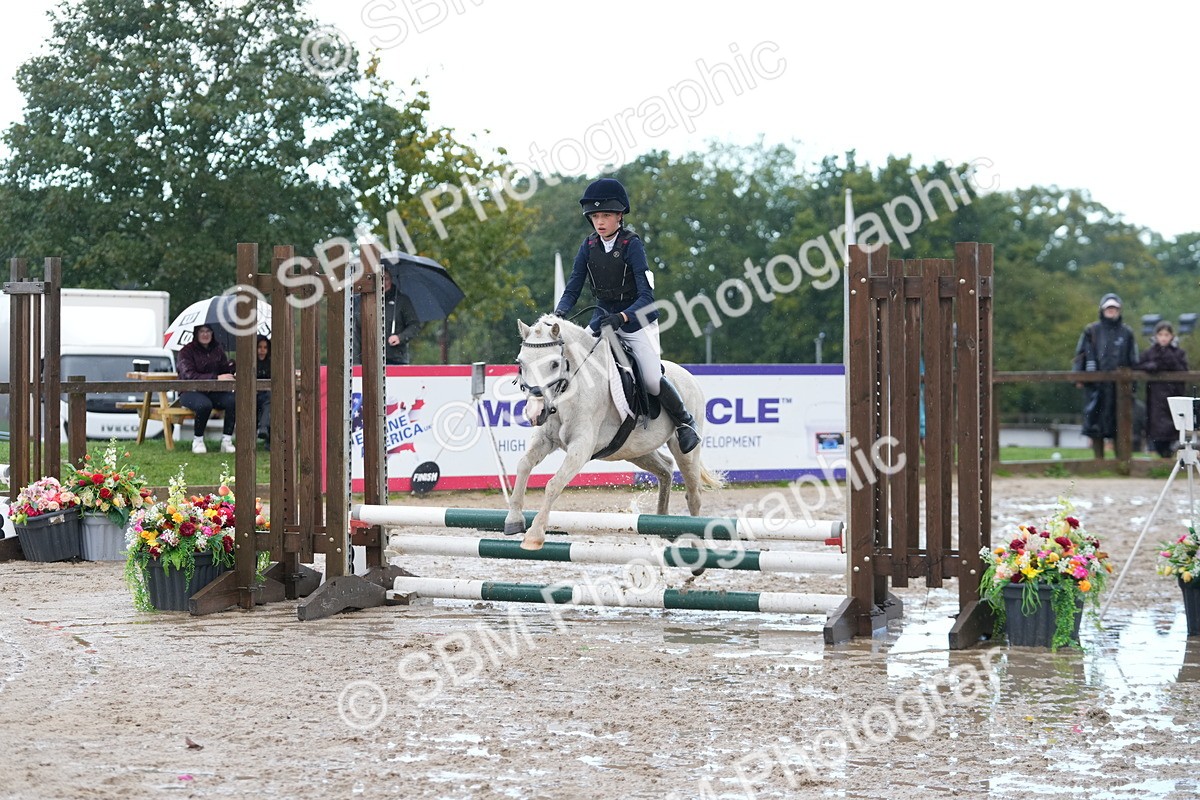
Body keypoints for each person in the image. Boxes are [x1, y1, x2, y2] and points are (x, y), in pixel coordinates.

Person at [553, 177, 700, 453]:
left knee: (651, 377)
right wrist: (558, 315)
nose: (600, 221)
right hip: (601, 318)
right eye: (595, 216)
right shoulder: (588, 247)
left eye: (606, 215)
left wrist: (622, 318)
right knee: (573, 362)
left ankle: (685, 422)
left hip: (636, 319)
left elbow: (646, 296)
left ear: (619, 216)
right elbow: (572, 289)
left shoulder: (632, 245)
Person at [1073, 293, 1138, 452]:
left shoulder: (1126, 332)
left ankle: (1120, 461)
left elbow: (1133, 359)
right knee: (1096, 422)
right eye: (1108, 307)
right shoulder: (1092, 330)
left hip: (1119, 387)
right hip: (1096, 386)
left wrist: (1133, 383)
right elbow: (1081, 354)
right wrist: (1078, 377)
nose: (1111, 310)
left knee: (1120, 422)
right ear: (1102, 309)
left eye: (1114, 308)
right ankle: (1098, 461)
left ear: (1119, 310)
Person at [176, 324, 237, 454]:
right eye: (202, 331)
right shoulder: (186, 351)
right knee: (204, 405)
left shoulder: (218, 350)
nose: (205, 334)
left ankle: (226, 440)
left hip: (214, 391)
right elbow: (189, 375)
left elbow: (224, 371)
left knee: (233, 400)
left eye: (208, 331)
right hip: (190, 391)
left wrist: (232, 366)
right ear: (196, 333)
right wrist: (216, 378)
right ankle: (197, 440)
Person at [1135, 320, 1189, 458]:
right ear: (1156, 336)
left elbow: (1183, 370)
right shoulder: (1149, 353)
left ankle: (1168, 457)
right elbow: (1139, 365)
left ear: (1172, 336)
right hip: (1156, 397)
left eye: (1166, 334)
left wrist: (1168, 359)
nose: (1163, 337)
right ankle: (1163, 457)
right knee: (1157, 429)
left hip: (1174, 395)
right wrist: (1151, 366)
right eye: (1160, 334)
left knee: (1172, 428)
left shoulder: (1178, 353)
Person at [353, 269, 422, 366]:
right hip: (369, 359)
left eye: (386, 279)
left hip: (396, 359)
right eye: (380, 279)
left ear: (391, 280)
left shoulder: (402, 301)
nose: (383, 282)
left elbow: (414, 325)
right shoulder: (362, 302)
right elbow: (356, 331)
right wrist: (355, 361)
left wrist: (400, 337)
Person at [255, 334, 271, 447]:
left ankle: (264, 429)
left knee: (271, 402)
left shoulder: (271, 362)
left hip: (267, 396)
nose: (262, 350)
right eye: (259, 347)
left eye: (265, 348)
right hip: (253, 396)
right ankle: (264, 428)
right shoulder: (249, 362)